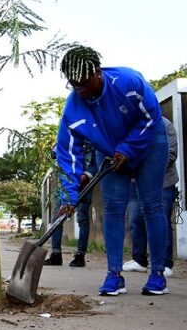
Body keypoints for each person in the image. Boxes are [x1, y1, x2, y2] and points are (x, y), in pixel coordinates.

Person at [55, 46, 171, 297]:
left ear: (98, 73)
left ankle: (158, 274)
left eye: (84, 84)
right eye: (74, 85)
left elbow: (151, 117)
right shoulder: (73, 109)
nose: (80, 91)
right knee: (113, 208)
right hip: (108, 152)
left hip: (149, 143)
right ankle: (114, 275)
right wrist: (68, 196)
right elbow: (68, 153)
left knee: (151, 204)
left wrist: (128, 148)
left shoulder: (129, 82)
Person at [122, 117, 179, 277]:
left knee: (161, 222)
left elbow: (171, 154)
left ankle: (165, 263)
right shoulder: (132, 125)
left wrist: (146, 168)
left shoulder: (166, 125)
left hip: (163, 182)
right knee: (135, 220)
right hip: (136, 182)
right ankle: (139, 260)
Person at [44, 142, 95, 268]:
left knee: (82, 218)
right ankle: (56, 255)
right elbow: (54, 153)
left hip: (85, 185)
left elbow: (96, 162)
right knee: (57, 218)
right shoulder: (67, 136)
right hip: (67, 185)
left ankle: (80, 256)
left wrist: (86, 175)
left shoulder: (93, 139)